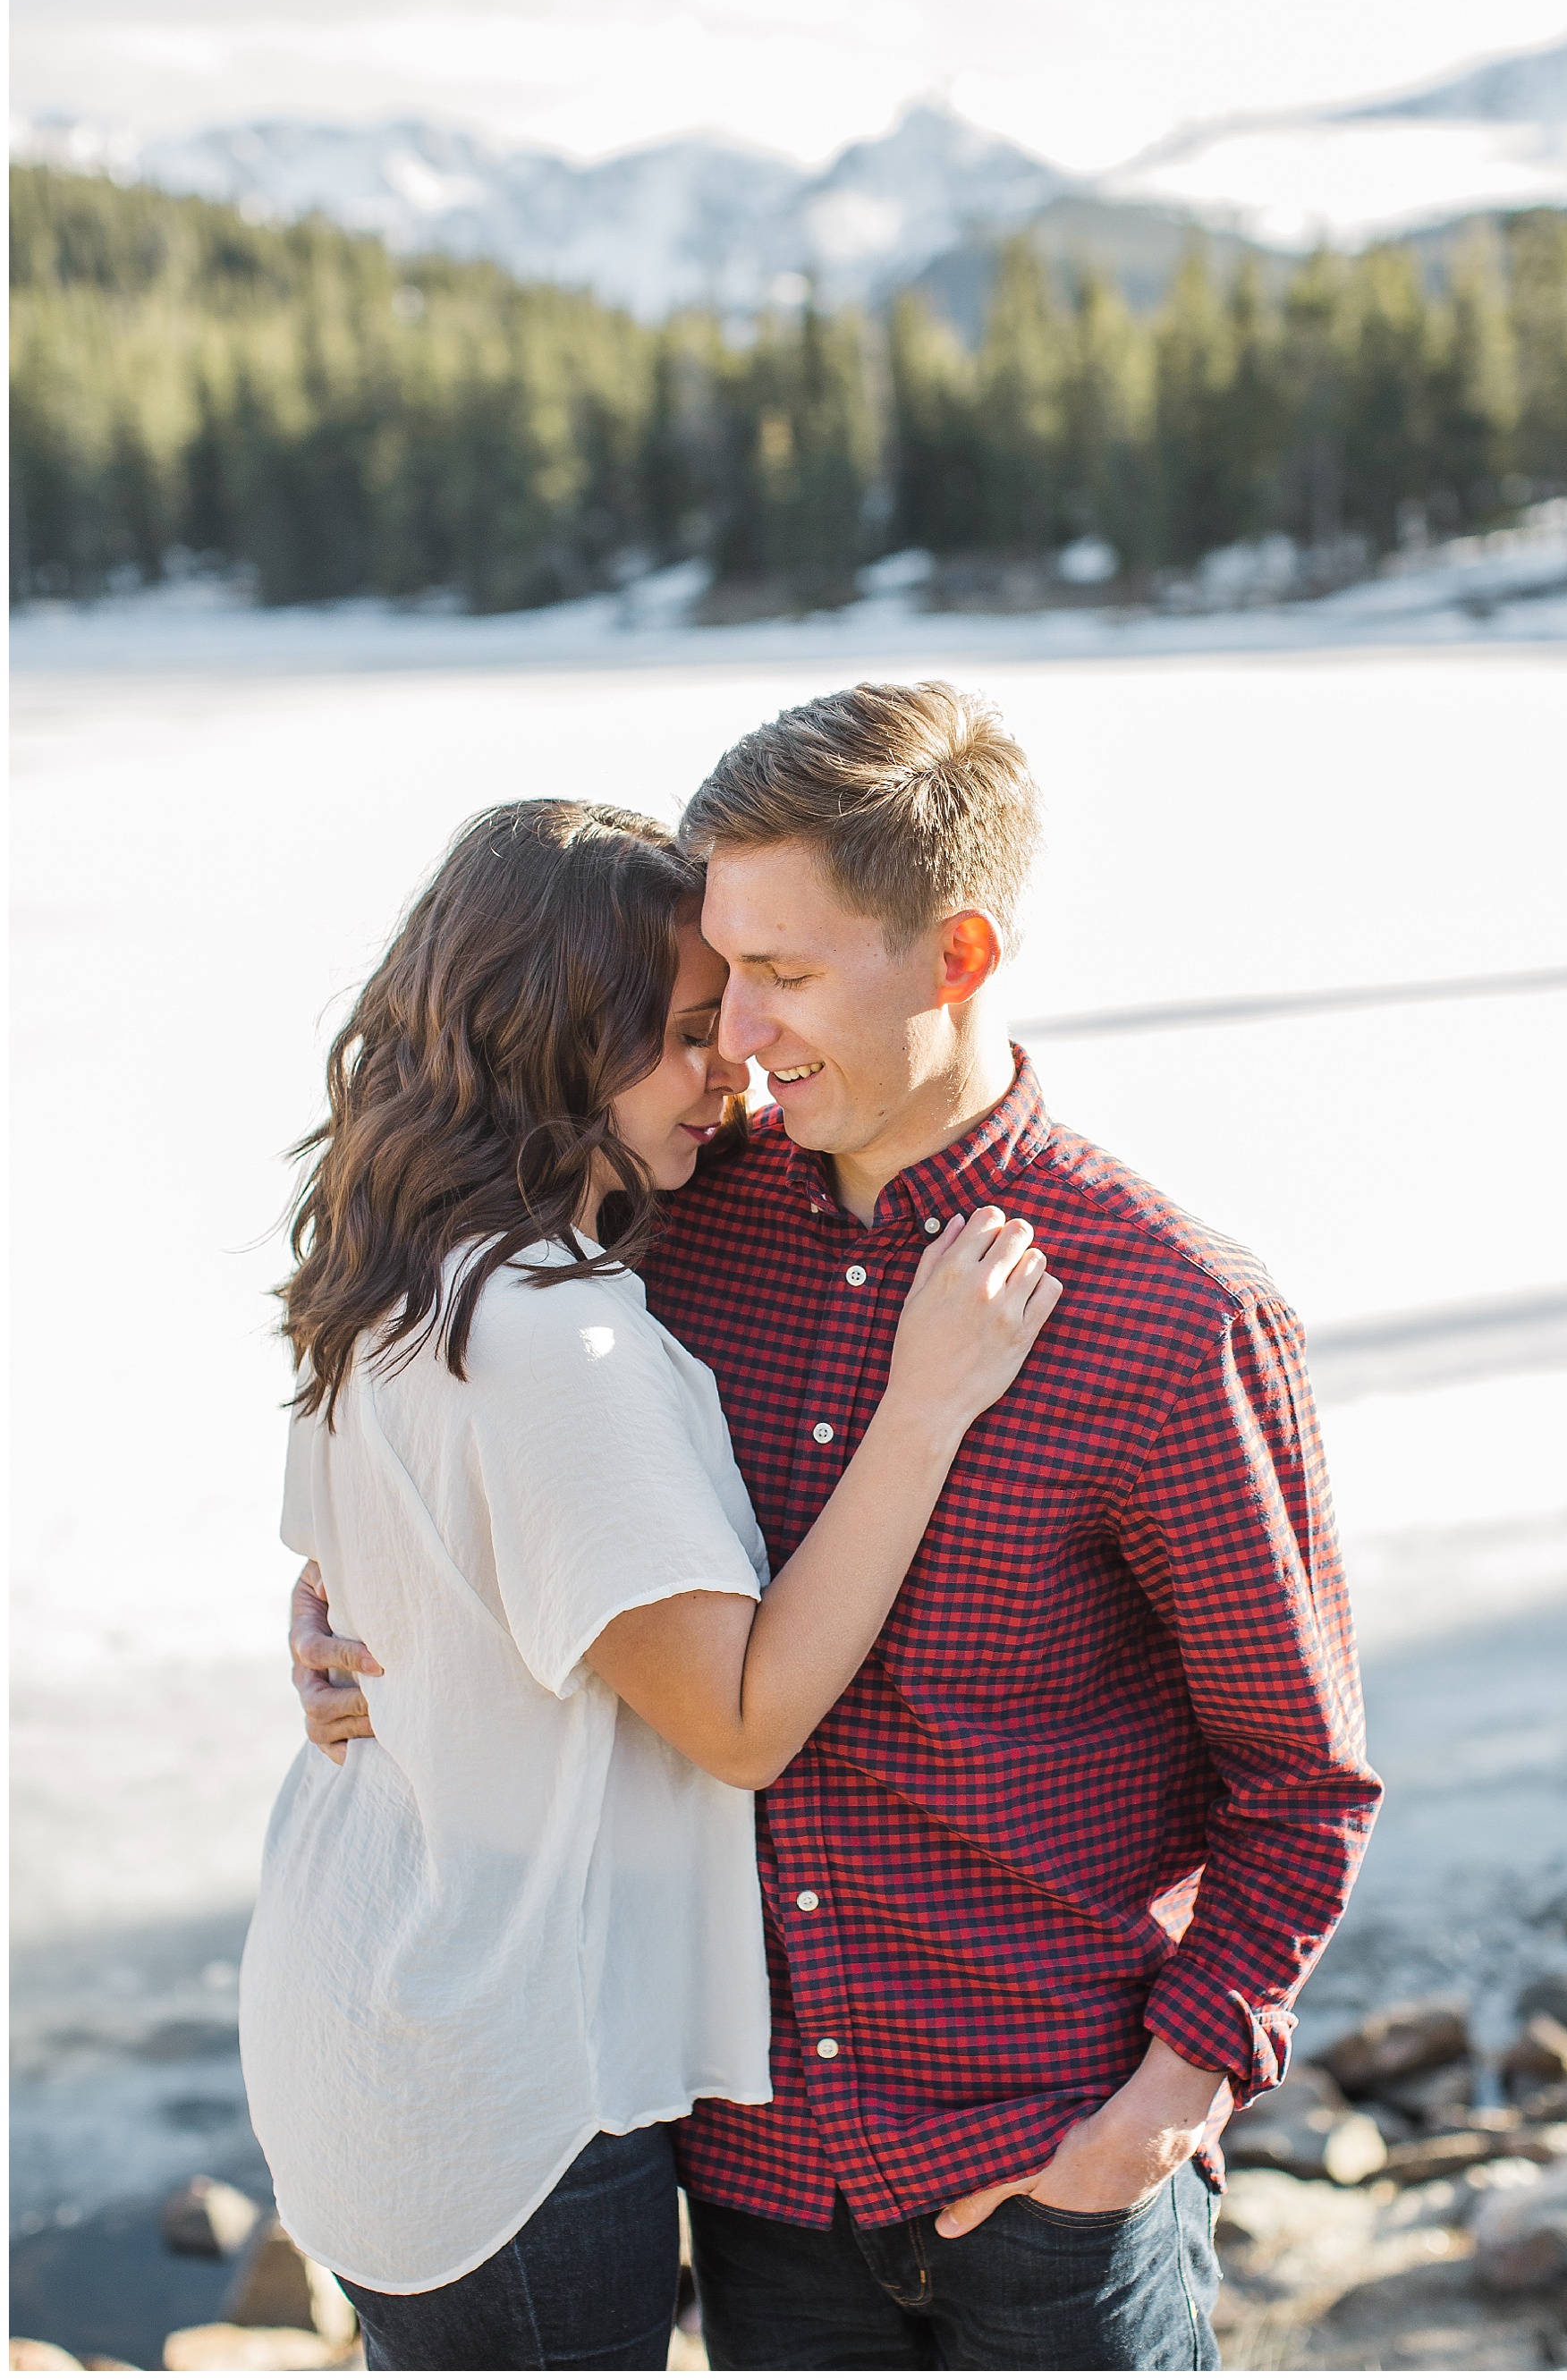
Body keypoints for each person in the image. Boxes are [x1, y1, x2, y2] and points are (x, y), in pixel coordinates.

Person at [293, 682, 1382, 2372]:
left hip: (1051, 2187)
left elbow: (1302, 1783)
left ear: (955, 957)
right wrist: (347, 1610)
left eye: (785, 975)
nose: (733, 1029)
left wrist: (1161, 2113)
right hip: (754, 2182)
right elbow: (489, 1462)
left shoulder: (1172, 1317)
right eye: (720, 972)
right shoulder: (671, 1244)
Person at [241, 795, 1062, 2373]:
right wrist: (924, 1402)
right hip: (508, 2075)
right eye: (688, 1032)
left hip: (365, 1991)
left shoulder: (396, 1255)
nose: (736, 1065)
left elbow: (352, 1570)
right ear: (552, 1038)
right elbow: (742, 1720)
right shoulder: (563, 1337)